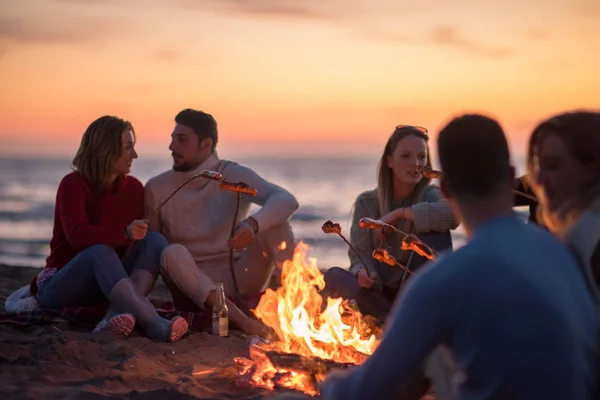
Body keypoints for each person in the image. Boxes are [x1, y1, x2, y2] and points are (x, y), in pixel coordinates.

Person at [315, 114, 599, 400]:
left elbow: (364, 392)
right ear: (512, 178)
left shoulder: (445, 281)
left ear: (446, 190)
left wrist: (326, 383)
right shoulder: (566, 258)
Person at [32, 115, 188, 342]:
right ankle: (154, 324)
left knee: (154, 240)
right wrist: (124, 232)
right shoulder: (72, 184)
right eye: (128, 148)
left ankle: (113, 316)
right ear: (105, 149)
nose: (134, 155)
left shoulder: (133, 188)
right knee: (100, 251)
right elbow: (77, 236)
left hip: (109, 284)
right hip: (63, 286)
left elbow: (136, 247)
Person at [144, 109, 299, 336]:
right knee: (169, 252)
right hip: (193, 290)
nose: (172, 147)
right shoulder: (157, 188)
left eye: (182, 140)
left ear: (206, 144)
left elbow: (287, 200)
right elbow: (153, 249)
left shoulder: (232, 173)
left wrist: (252, 225)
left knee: (278, 226)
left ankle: (297, 310)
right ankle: (244, 323)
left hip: (238, 280)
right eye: (172, 139)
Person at [322, 125, 459, 321]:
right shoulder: (367, 203)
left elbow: (455, 214)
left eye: (421, 157)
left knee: (436, 231)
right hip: (380, 297)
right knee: (334, 276)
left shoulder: (429, 195)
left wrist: (400, 214)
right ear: (389, 161)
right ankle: (390, 324)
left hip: (419, 296)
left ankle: (411, 323)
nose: (416, 163)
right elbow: (359, 252)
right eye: (406, 156)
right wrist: (364, 272)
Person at [527, 110, 600, 298]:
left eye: (553, 166)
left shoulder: (588, 239)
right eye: (538, 166)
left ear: (592, 168)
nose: (540, 179)